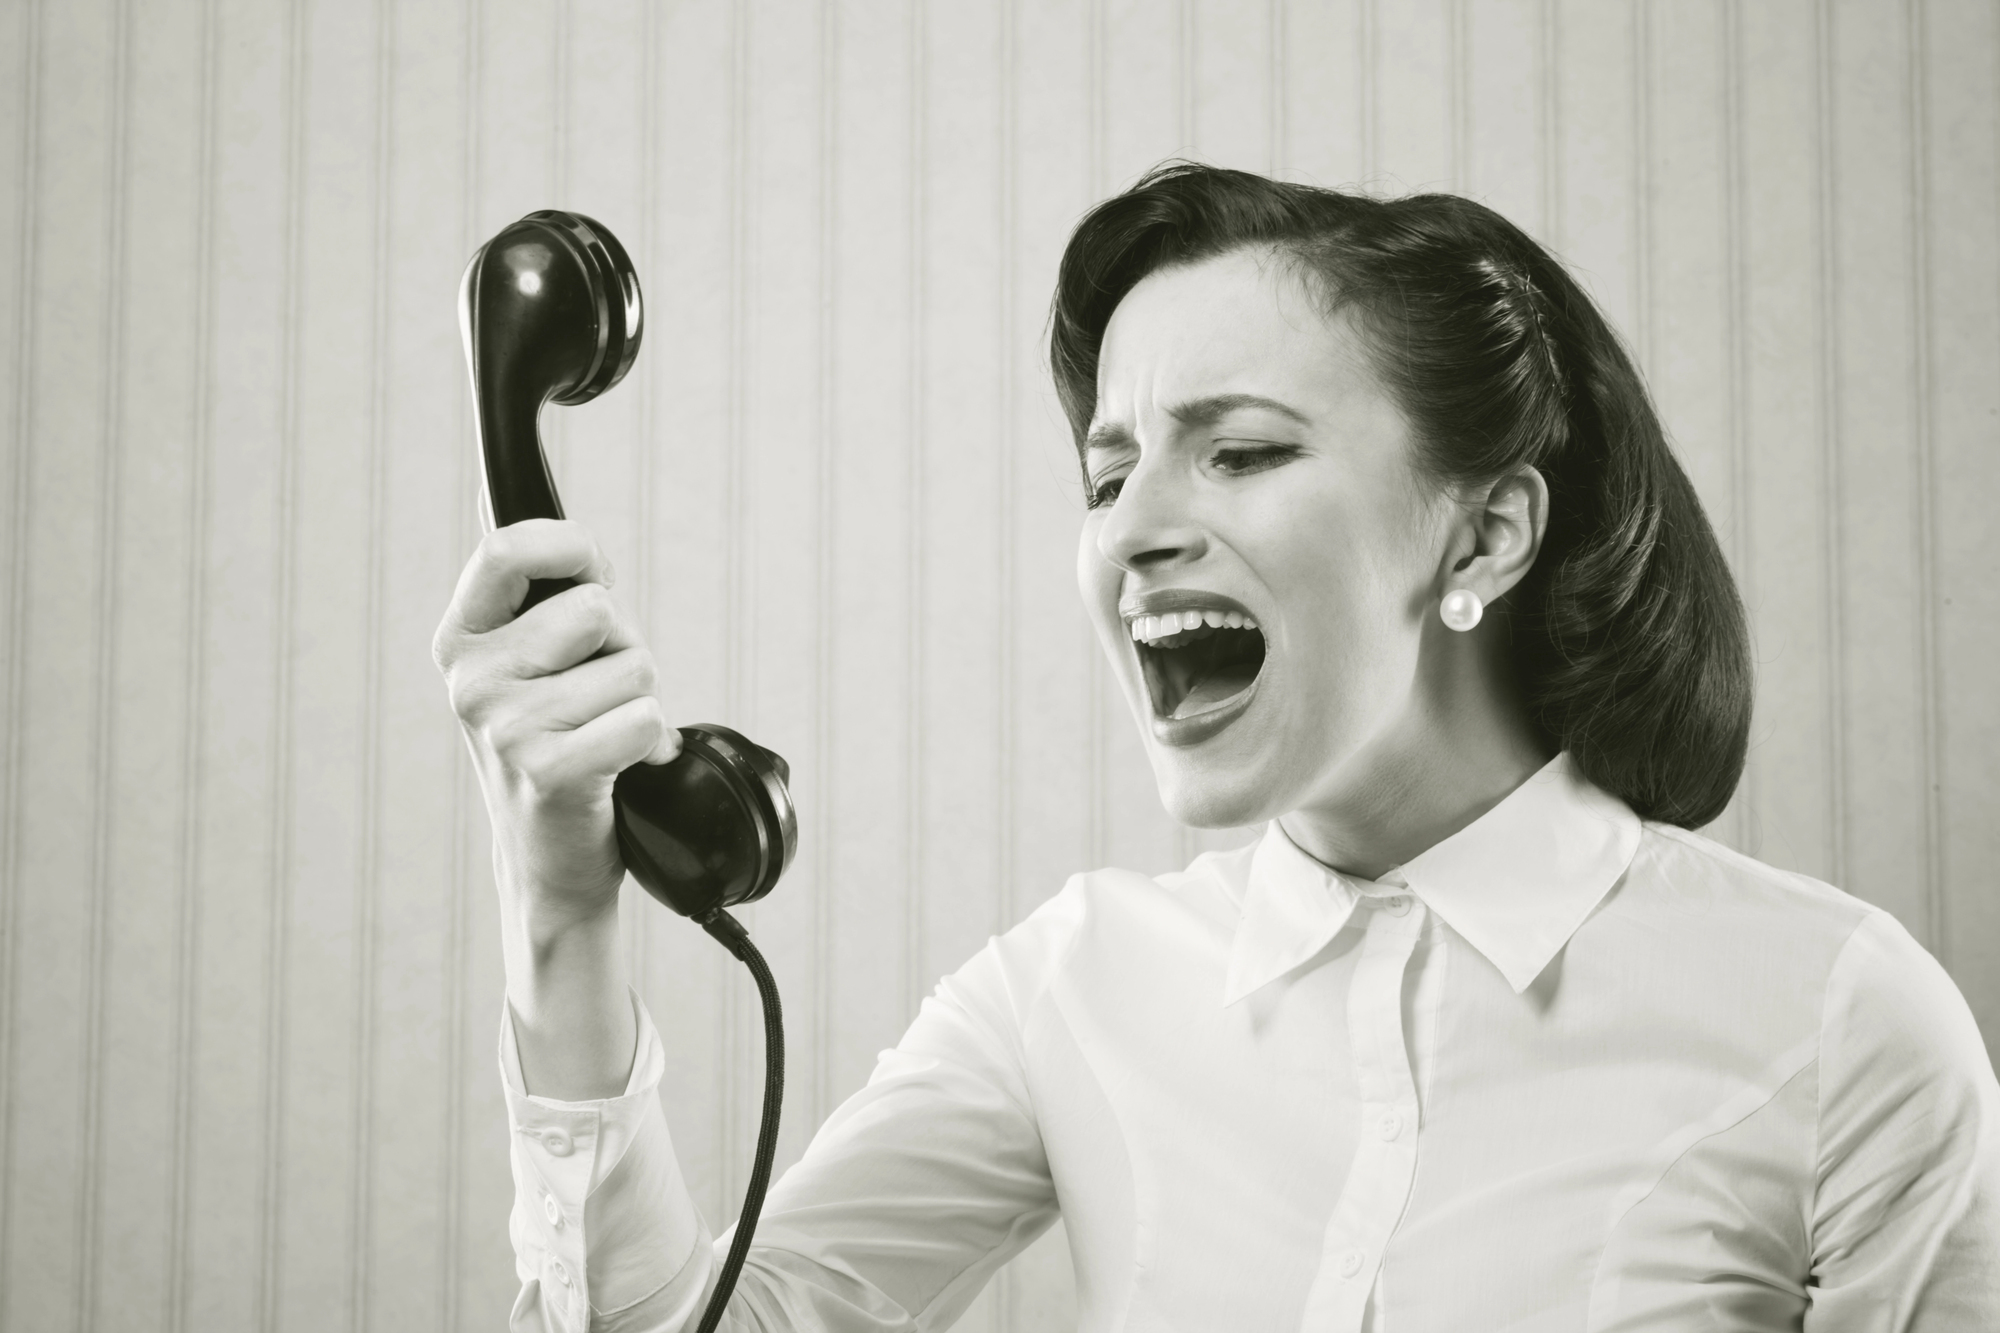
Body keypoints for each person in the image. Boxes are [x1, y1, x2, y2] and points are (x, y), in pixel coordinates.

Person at [432, 164, 2000, 1332]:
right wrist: (560, 902)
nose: (1136, 535)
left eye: (1239, 452)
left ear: (1490, 532)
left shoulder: (1846, 1025)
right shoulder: (1075, 985)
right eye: (1108, 478)